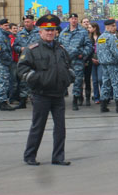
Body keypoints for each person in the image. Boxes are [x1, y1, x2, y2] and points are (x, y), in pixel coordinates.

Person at [18, 14, 73, 166]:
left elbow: (69, 66)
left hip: (58, 94)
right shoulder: (32, 50)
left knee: (60, 128)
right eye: (46, 30)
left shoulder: (61, 49)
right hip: (41, 94)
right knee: (38, 127)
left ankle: (58, 157)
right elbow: (22, 70)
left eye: (52, 30)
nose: (50, 33)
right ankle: (30, 156)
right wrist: (38, 80)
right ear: (40, 32)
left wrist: (69, 78)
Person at [59, 13, 92, 111]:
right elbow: (58, 44)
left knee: (78, 80)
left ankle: (75, 100)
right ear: (68, 20)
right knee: (63, 80)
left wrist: (83, 54)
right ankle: (61, 99)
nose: (73, 20)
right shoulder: (64, 32)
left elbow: (89, 46)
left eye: (75, 19)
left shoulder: (83, 32)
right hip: (65, 61)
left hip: (77, 60)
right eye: (72, 19)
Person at [97, 19, 118, 113]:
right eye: (113, 26)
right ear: (108, 27)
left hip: (104, 64)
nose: (115, 27)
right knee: (116, 83)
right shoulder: (112, 38)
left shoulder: (101, 37)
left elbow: (98, 51)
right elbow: (117, 52)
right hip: (113, 64)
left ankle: (103, 105)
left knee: (105, 84)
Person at [14, 15, 40, 109]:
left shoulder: (39, 32)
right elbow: (15, 46)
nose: (26, 24)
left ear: (33, 22)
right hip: (24, 60)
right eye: (25, 22)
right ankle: (23, 101)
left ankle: (36, 101)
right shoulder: (20, 33)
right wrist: (20, 48)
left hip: (36, 60)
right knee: (23, 80)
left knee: (36, 80)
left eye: (28, 22)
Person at [0, 19, 15, 111]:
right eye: (5, 25)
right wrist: (8, 59)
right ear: (1, 25)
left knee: (4, 82)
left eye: (8, 25)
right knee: (3, 82)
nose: (7, 27)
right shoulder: (0, 36)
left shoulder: (5, 35)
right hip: (2, 62)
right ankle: (2, 102)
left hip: (5, 62)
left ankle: (2, 101)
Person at [89, 22, 102, 104]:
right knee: (94, 80)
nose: (89, 29)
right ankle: (96, 97)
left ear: (95, 28)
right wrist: (91, 58)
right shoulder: (88, 37)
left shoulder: (101, 37)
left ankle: (104, 96)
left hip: (100, 60)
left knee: (101, 79)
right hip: (92, 60)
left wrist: (100, 59)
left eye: (90, 27)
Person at [81, 18, 92, 106]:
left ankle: (88, 98)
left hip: (90, 59)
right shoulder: (79, 33)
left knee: (88, 79)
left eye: (87, 22)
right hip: (80, 59)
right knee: (80, 80)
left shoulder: (92, 34)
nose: (86, 23)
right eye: (84, 22)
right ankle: (80, 98)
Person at [8, 23, 20, 105]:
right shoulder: (10, 38)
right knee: (13, 81)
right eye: (14, 28)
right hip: (13, 61)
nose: (15, 30)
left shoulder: (18, 37)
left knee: (19, 80)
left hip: (19, 61)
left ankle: (18, 97)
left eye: (16, 28)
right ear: (10, 30)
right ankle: (12, 98)